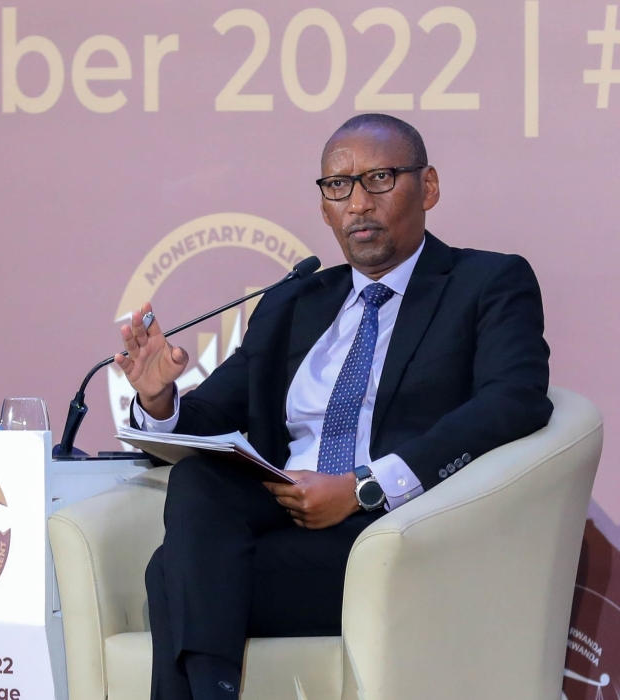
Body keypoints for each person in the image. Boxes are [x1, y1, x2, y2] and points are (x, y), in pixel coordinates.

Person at [118, 114, 552, 699]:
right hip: (288, 520)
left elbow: (514, 400)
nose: (357, 203)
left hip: (400, 533)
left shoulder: (487, 281)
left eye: (378, 179)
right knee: (197, 486)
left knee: (170, 574)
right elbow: (210, 417)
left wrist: (363, 486)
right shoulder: (296, 299)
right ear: (323, 206)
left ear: (427, 187)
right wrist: (158, 396)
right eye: (337, 186)